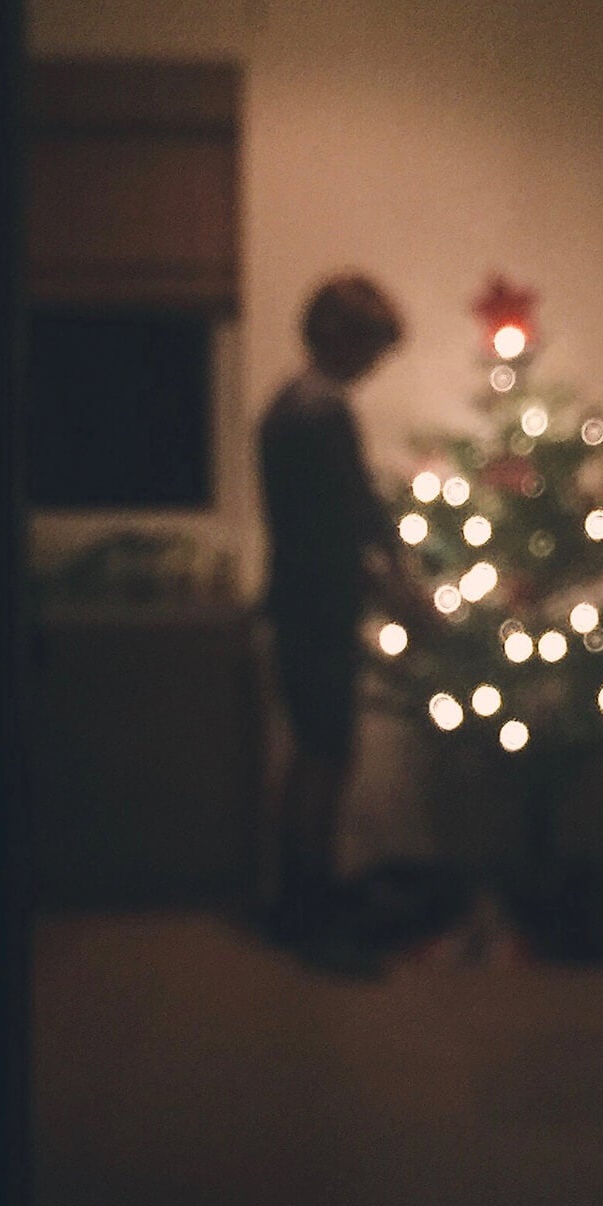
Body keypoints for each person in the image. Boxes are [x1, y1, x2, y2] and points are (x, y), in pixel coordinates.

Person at [257, 273, 430, 964]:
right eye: (371, 346)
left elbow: (353, 505)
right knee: (327, 753)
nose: (374, 364)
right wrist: (399, 592)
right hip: (316, 604)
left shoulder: (294, 406)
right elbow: (344, 515)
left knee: (316, 749)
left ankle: (303, 896)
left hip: (303, 600)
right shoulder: (317, 412)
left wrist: (390, 569)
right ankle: (311, 906)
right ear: (338, 337)